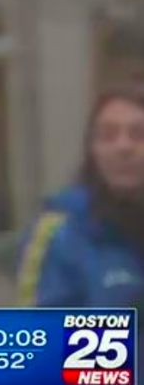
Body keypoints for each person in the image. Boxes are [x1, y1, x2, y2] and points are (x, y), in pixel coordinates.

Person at [18, 86, 144, 311]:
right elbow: (36, 329)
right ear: (92, 149)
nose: (123, 147)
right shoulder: (57, 231)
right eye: (108, 136)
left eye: (138, 134)